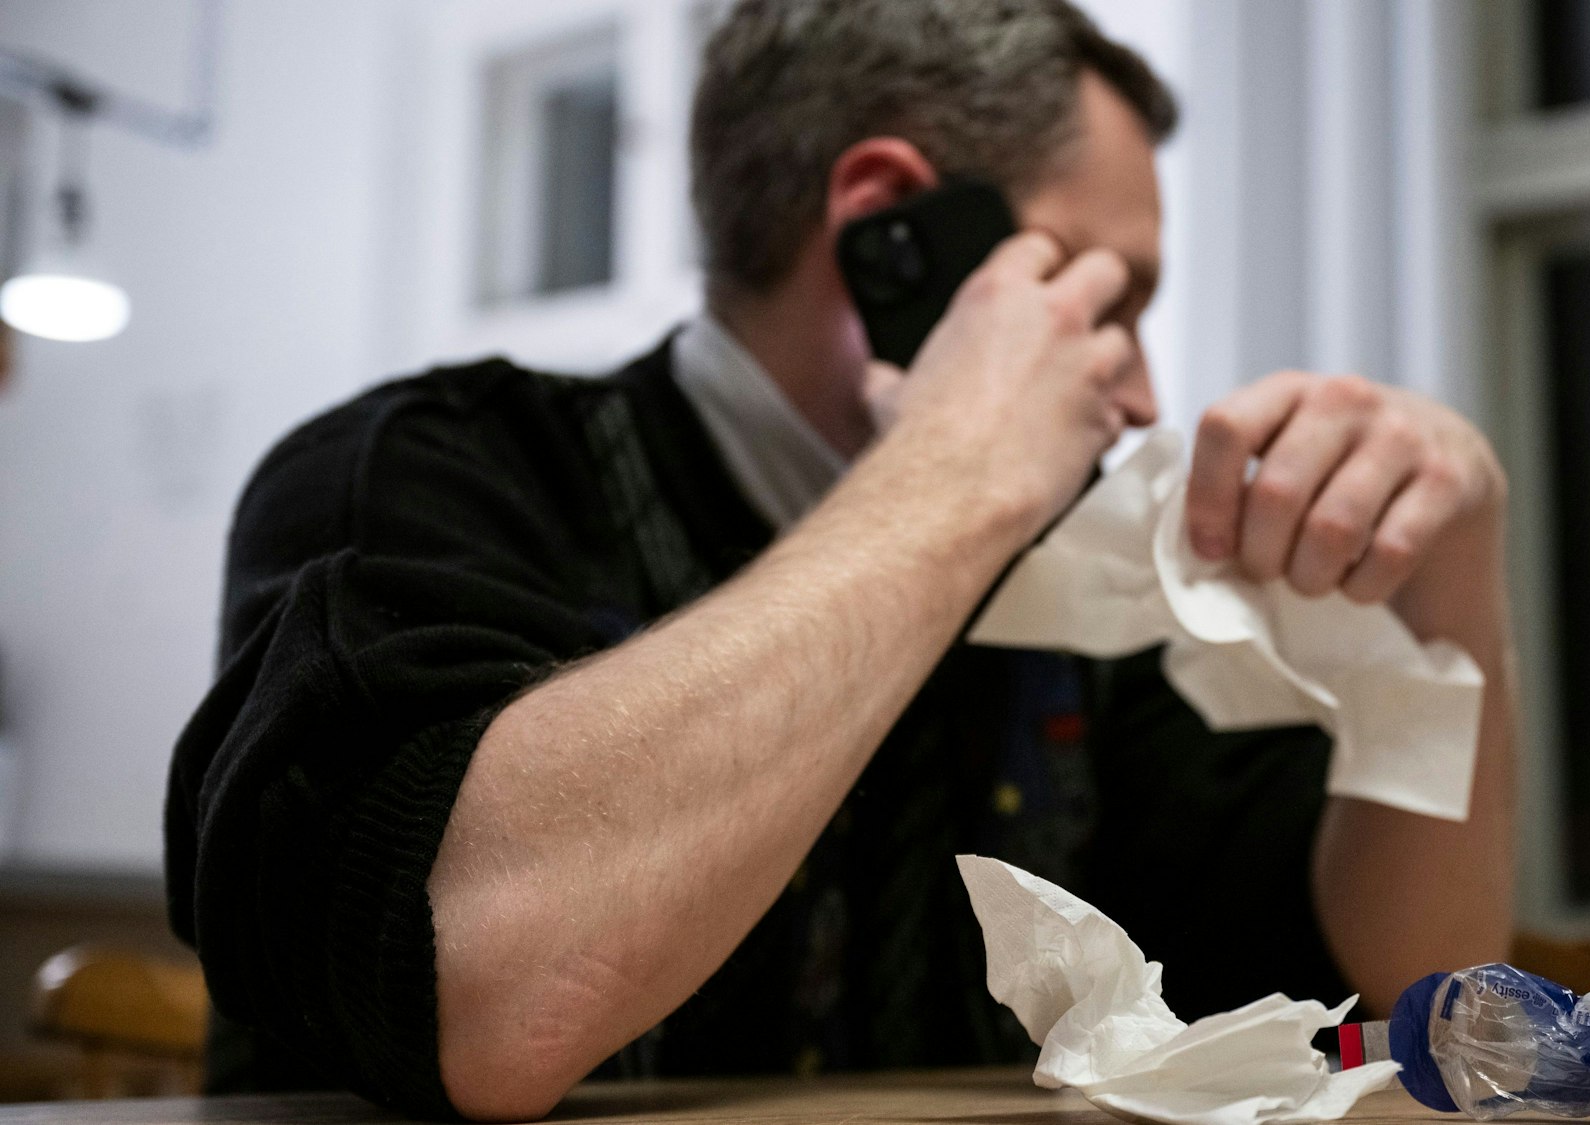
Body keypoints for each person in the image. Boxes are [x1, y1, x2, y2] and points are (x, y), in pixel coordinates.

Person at [166, 1, 1517, 1120]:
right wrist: (955, 476)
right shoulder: (411, 479)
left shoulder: (1073, 570)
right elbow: (492, 996)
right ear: (891, 233)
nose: (1147, 395)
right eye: (1110, 298)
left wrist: (1446, 586)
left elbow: (1413, 985)